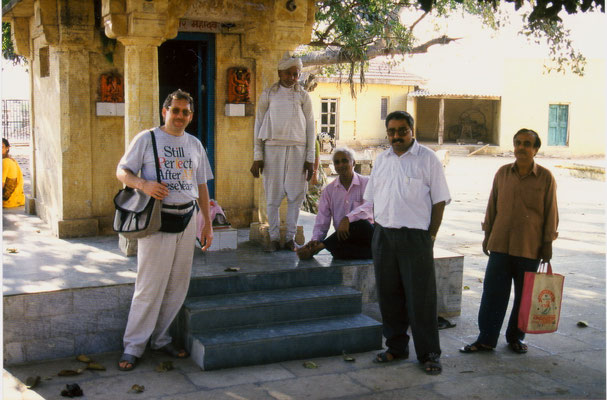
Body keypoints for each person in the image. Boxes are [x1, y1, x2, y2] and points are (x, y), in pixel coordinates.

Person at [116, 89, 214, 371]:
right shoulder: (146, 139)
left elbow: (202, 186)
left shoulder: (194, 144)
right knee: (149, 285)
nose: (180, 116)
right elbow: (122, 171)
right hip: (157, 221)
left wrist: (206, 223)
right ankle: (133, 346)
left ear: (191, 116)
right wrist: (143, 184)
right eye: (176, 110)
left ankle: (160, 339)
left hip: (187, 220)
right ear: (165, 111)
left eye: (185, 112)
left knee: (177, 285)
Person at [363, 111, 451, 375]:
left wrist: (431, 236)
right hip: (384, 236)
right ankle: (396, 347)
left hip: (415, 238)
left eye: (402, 130)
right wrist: (378, 229)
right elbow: (372, 198)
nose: (396, 136)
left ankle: (429, 354)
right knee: (388, 295)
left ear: (412, 130)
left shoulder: (427, 159)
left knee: (421, 298)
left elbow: (439, 201)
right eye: (391, 131)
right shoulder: (381, 160)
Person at [461, 128, 558, 355]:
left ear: (535, 149)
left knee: (524, 296)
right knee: (493, 294)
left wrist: (548, 244)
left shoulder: (545, 177)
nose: (521, 148)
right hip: (501, 245)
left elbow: (551, 212)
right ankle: (486, 339)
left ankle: (516, 338)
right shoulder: (502, 173)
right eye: (518, 143)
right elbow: (492, 205)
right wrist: (487, 235)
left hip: (530, 247)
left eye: (527, 144)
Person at [250, 52, 315, 252]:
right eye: (288, 73)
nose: (292, 78)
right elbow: (258, 123)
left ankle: (289, 239)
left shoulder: (303, 96)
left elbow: (311, 126)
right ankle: (274, 237)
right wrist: (257, 156)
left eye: (296, 74)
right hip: (272, 149)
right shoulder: (268, 94)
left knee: (296, 196)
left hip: (298, 149)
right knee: (272, 196)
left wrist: (310, 158)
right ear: (280, 72)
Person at [297, 147, 374, 260]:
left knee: (362, 224)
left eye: (344, 161)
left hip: (367, 234)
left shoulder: (367, 183)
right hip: (343, 238)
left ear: (353, 162)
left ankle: (322, 246)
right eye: (337, 162)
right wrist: (315, 240)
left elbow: (370, 206)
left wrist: (347, 219)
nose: (340, 165)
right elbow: (322, 220)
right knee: (336, 252)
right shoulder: (329, 190)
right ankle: (319, 246)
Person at [2, 138, 25, 208]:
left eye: (1, 147)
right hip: (18, 199)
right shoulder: (12, 160)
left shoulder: (5, 162)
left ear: (7, 148)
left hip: (8, 202)